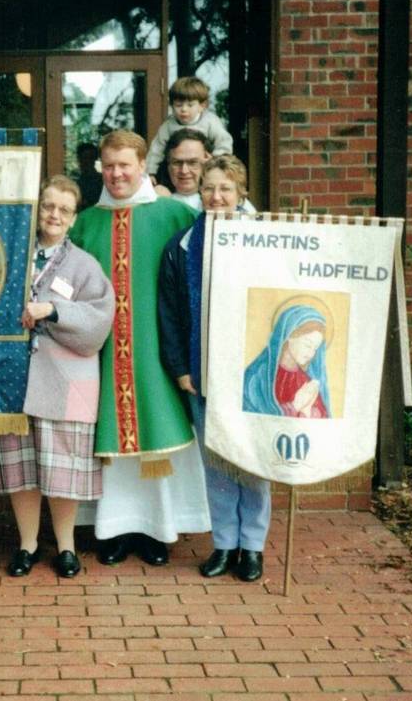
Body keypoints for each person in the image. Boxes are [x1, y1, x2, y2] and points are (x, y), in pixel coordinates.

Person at [69, 130, 210, 567]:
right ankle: (111, 531)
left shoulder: (174, 215)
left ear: (142, 166)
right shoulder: (85, 222)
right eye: (108, 166)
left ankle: (156, 531)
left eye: (124, 165)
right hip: (103, 354)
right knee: (107, 444)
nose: (116, 174)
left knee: (156, 443)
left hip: (155, 356)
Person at [0, 175, 115, 579]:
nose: (54, 215)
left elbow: (100, 319)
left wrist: (52, 311)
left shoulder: (83, 264)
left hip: (63, 379)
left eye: (63, 209)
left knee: (62, 468)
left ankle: (67, 546)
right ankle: (27, 544)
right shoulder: (9, 254)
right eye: (47, 206)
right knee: (19, 464)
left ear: (74, 219)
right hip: (11, 378)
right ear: (36, 209)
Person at [158, 155, 270, 582]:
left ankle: (253, 547)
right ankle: (224, 543)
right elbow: (169, 312)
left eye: (225, 188)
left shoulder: (266, 241)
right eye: (208, 188)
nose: (216, 196)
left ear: (241, 193)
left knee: (251, 459)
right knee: (217, 462)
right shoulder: (182, 246)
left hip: (251, 372)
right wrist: (181, 367)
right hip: (202, 370)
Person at [243, 305, 331, 418]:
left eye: (315, 349)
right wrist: (294, 406)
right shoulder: (257, 376)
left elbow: (323, 420)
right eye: (307, 345)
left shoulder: (307, 383)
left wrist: (308, 411)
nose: (311, 354)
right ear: (289, 335)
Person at [145, 76, 233, 176]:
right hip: (179, 171)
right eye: (178, 105)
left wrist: (214, 160)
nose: (184, 109)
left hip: (205, 169)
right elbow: (156, 149)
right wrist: (151, 172)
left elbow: (224, 142)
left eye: (190, 105)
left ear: (202, 106)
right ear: (172, 106)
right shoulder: (168, 125)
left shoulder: (210, 121)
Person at [74, 142, 103, 210]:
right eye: (84, 158)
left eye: (90, 158)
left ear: (95, 159)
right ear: (79, 159)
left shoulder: (102, 181)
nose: (87, 161)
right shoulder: (74, 180)